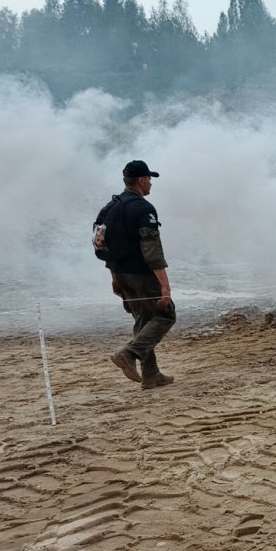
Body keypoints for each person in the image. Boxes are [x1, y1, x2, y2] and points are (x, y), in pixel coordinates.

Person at [97, 160, 176, 388]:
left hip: (120, 273)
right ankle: (129, 354)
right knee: (165, 316)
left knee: (143, 319)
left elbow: (102, 244)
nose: (150, 183)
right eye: (149, 179)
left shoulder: (109, 208)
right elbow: (152, 250)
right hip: (141, 274)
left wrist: (115, 277)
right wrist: (165, 286)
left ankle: (151, 374)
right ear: (141, 180)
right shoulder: (143, 209)